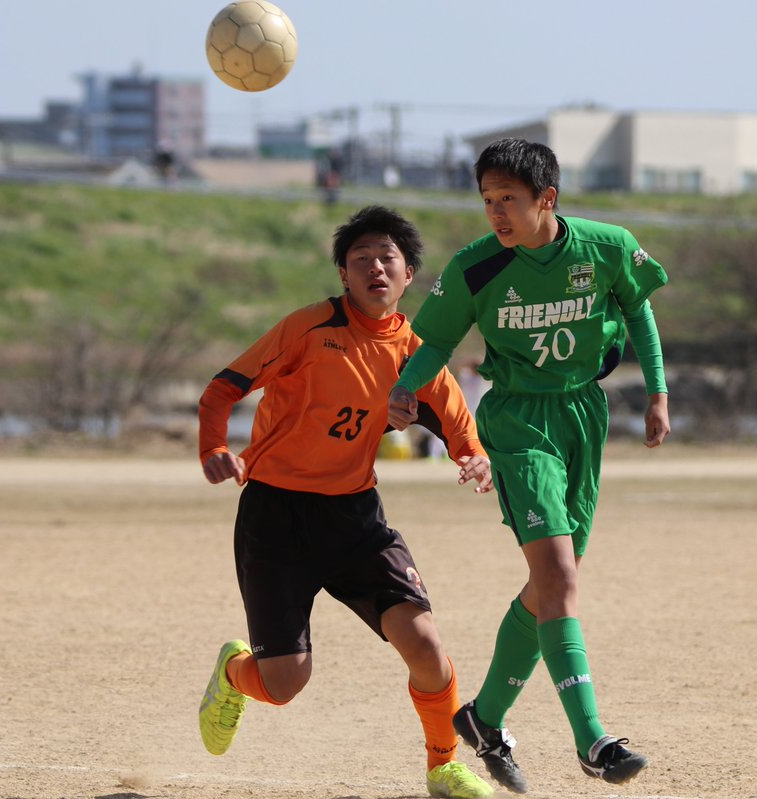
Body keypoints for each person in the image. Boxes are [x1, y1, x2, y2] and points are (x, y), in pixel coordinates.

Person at [388, 137, 670, 792]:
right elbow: (434, 342)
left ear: (547, 199)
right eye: (488, 201)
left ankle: (485, 718)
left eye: (508, 200)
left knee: (549, 588)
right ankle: (592, 739)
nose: (496, 214)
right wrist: (407, 387)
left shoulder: (603, 246)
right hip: (516, 423)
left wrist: (657, 392)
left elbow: (640, 309)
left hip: (582, 416)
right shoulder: (476, 267)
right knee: (559, 576)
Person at [197, 205, 495, 799]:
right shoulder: (308, 328)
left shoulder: (420, 350)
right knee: (283, 684)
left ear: (410, 274)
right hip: (275, 516)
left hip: (354, 517)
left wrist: (476, 458)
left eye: (388, 258)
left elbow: (464, 433)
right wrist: (214, 449)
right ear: (343, 275)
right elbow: (221, 390)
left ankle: (443, 766)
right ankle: (234, 675)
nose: (375, 268)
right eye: (360, 259)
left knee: (426, 645)